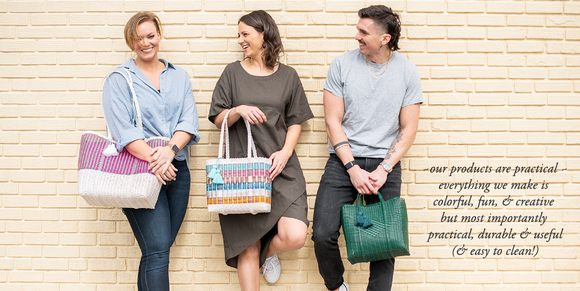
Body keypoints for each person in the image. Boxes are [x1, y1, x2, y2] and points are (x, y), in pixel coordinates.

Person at [311, 5, 422, 291]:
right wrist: (352, 168)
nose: (356, 36)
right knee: (322, 233)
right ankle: (337, 286)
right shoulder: (341, 65)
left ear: (385, 38)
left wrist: (385, 168)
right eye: (357, 29)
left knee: (385, 244)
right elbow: (332, 121)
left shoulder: (407, 71)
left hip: (385, 165)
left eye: (364, 32)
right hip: (343, 161)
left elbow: (408, 127)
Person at [208, 10, 314, 291]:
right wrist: (237, 110)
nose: (240, 40)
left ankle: (271, 251)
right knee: (248, 247)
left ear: (263, 34)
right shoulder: (232, 73)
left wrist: (286, 152)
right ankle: (259, 254)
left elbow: (296, 121)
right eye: (238, 35)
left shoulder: (289, 76)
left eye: (245, 34)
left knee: (296, 235)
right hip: (242, 175)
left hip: (280, 168)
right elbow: (218, 119)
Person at [101, 12, 200, 291]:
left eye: (150, 36)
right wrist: (158, 159)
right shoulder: (119, 79)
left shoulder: (179, 76)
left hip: (177, 172)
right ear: (131, 42)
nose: (145, 43)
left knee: (158, 251)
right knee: (157, 249)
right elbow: (124, 130)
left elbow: (188, 122)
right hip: (141, 170)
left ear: (159, 35)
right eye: (138, 38)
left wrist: (170, 152)